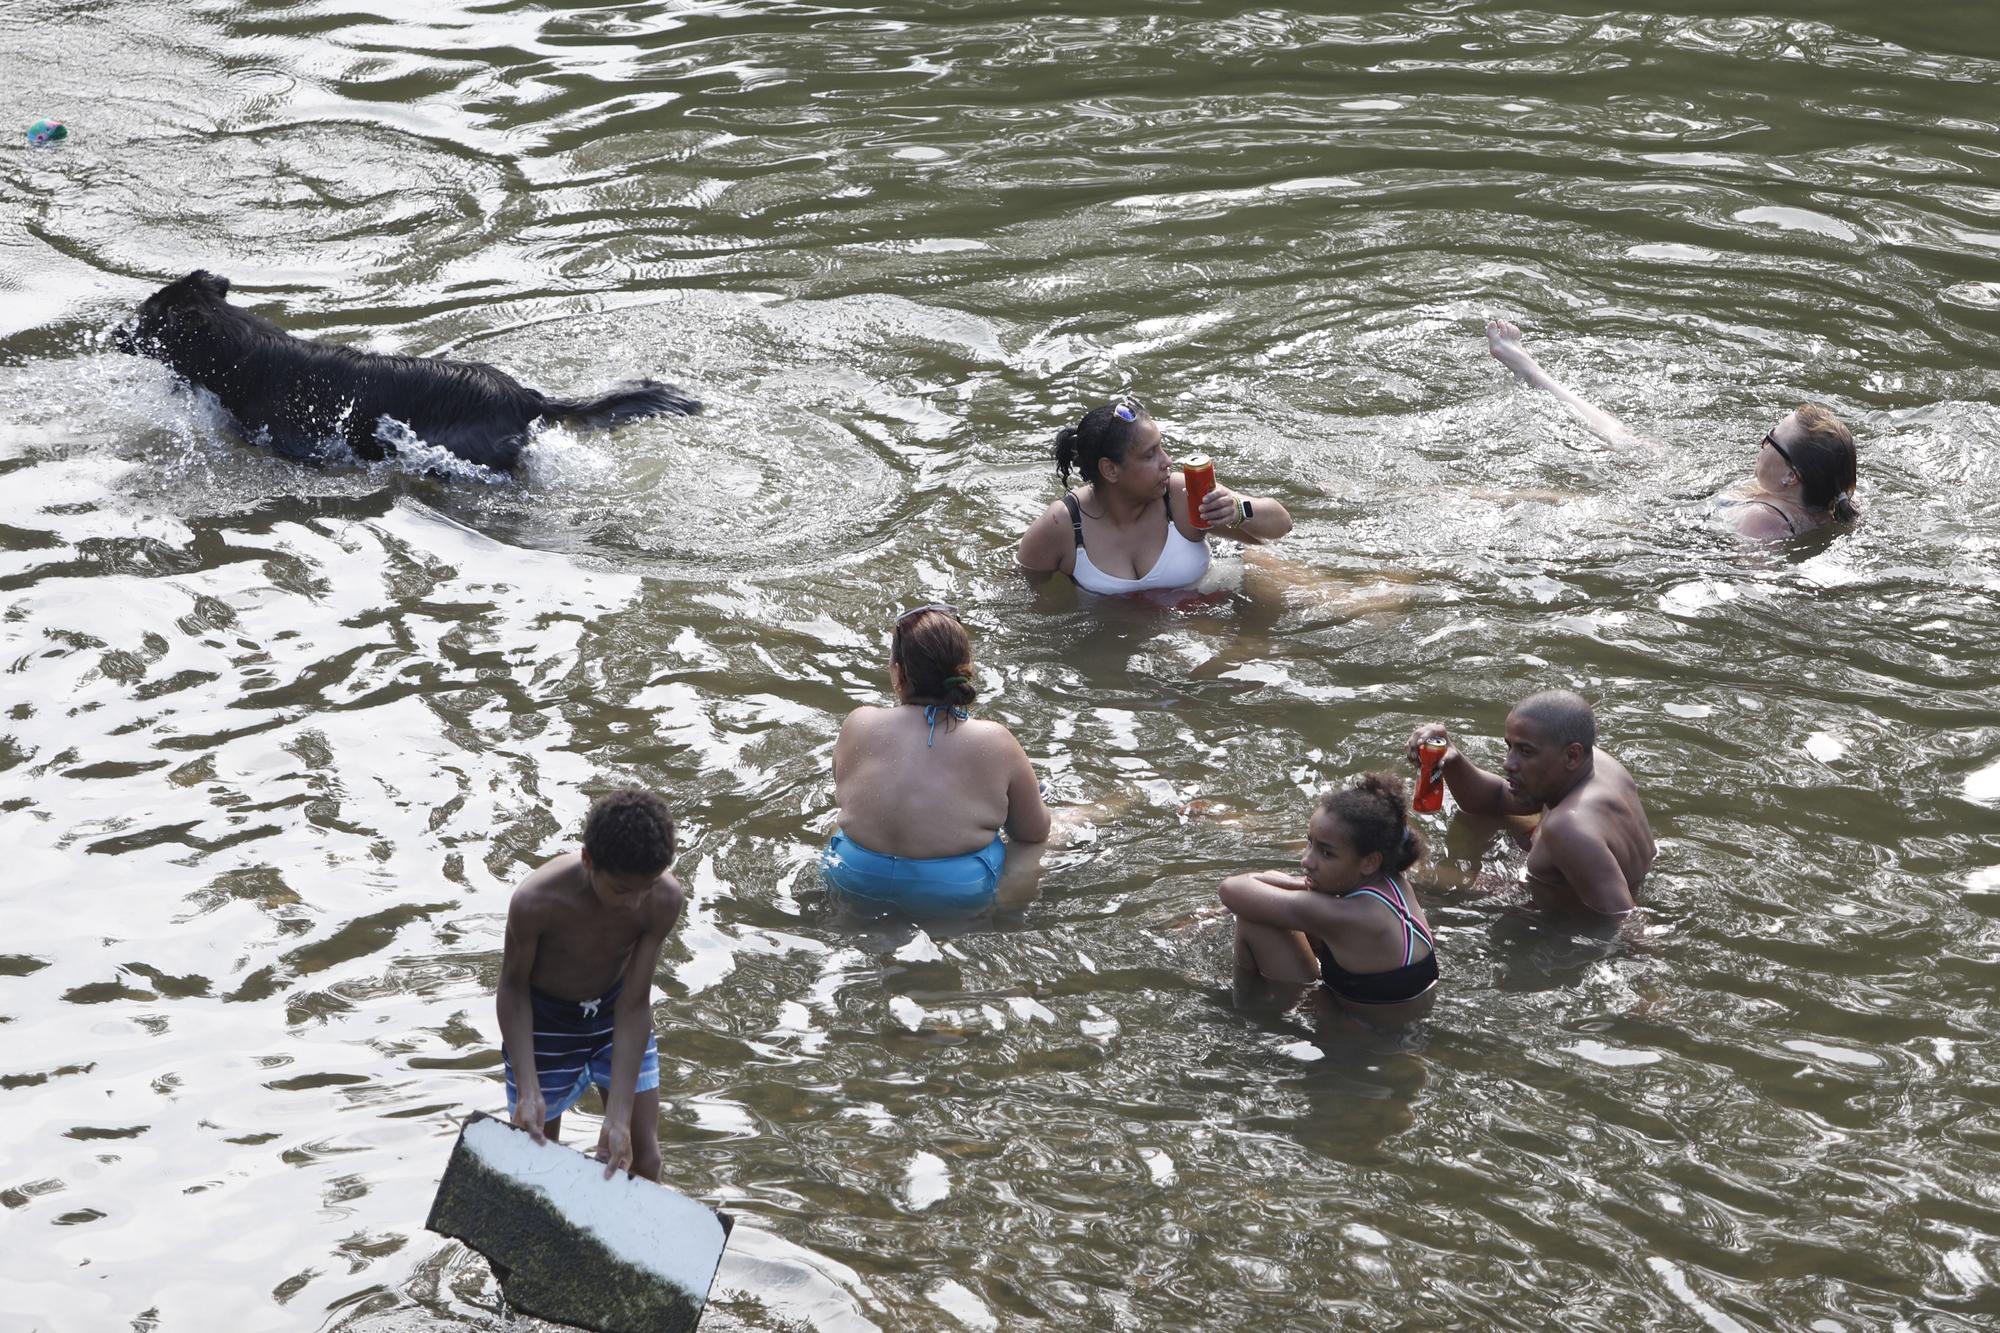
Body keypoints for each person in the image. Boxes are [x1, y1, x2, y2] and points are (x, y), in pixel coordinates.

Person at [1485, 319, 1860, 540]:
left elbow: (1755, 585)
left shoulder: (1763, 521)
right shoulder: (1827, 504)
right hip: (1684, 500)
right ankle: (1531, 371)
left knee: (1519, 497)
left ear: (1791, 477)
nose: (1760, 443)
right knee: (1634, 443)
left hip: (1650, 526)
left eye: (1770, 441)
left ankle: (1530, 370)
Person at [497, 787, 685, 1181]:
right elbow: (513, 989)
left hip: (615, 1013)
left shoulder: (664, 899)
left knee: (643, 1160)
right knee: (537, 1157)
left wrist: (617, 1116)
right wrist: (530, 1090)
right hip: (545, 1020)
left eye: (645, 887)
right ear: (588, 860)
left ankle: (627, 1241)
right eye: (620, 890)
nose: (635, 903)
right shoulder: (536, 901)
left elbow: (634, 1005)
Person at [825, 604, 1052, 914]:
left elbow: (845, 791)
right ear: (965, 671)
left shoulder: (859, 722)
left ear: (898, 672)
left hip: (854, 876)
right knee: (1045, 838)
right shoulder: (995, 741)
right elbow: (1033, 833)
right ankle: (1003, 918)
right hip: (951, 889)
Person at [1407, 690, 1655, 921]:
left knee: (1411, 878)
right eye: (1510, 747)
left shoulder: (1567, 827)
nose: (1508, 763)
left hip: (1560, 926)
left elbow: (1626, 920)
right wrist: (1453, 759)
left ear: (1572, 756)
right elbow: (1495, 800)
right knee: (1479, 823)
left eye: (1525, 752)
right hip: (1590, 878)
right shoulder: (1597, 764)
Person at [1218, 773, 1439, 1026]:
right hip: (1387, 1017)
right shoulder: (1394, 881)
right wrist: (1298, 884)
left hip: (1354, 1039)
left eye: (1326, 853)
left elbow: (1231, 889)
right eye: (1309, 843)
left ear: (1369, 861)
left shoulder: (1352, 916)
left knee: (1254, 919)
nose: (1306, 861)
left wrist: (1294, 885)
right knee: (1271, 886)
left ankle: (1245, 1014)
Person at [1017, 395, 1293, 595]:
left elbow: (1281, 524)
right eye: (1150, 455)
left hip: (1222, 577)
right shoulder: (1063, 525)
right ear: (1110, 469)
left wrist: (1237, 510)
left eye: (1161, 448)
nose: (1168, 461)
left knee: (1329, 604)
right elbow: (1023, 592)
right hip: (1140, 636)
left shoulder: (1179, 494)